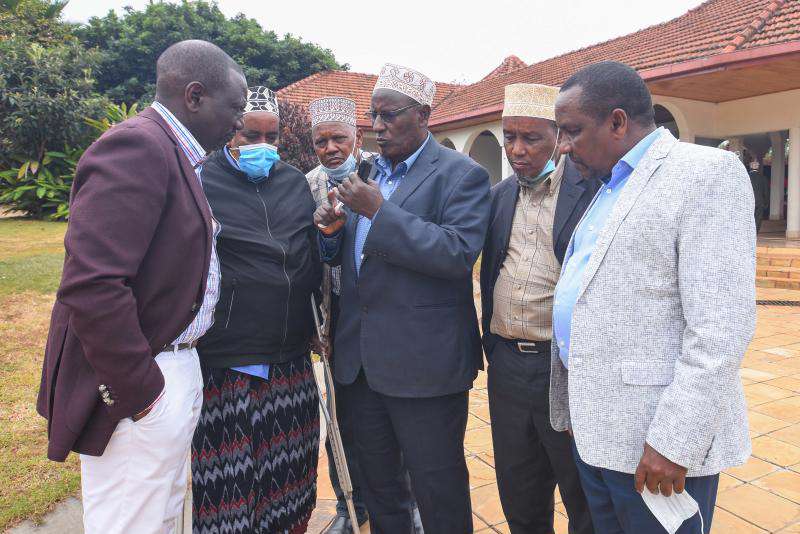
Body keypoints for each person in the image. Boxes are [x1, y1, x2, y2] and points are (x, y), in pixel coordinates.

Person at [36, 40, 246, 534]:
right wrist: (142, 392)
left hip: (173, 366)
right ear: (194, 96)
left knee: (161, 517)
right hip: (144, 382)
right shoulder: (138, 147)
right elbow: (92, 285)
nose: (239, 123)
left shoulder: (178, 155)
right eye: (235, 108)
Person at [550, 61, 755, 533]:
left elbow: (721, 330)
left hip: (657, 448)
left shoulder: (706, 174)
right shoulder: (608, 186)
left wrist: (675, 442)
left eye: (572, 131)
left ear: (617, 122)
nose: (562, 146)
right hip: (599, 435)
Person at [314, 63, 491, 534]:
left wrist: (380, 211)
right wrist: (331, 234)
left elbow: (457, 254)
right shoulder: (368, 171)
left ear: (424, 115)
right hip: (361, 364)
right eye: (373, 116)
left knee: (437, 490)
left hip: (424, 368)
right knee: (380, 490)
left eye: (389, 115)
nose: (378, 126)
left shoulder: (462, 174)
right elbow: (354, 258)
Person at [191, 87, 322, 533]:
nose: (261, 145)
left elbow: (309, 254)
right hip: (227, 360)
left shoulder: (293, 182)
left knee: (290, 475)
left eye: (272, 137)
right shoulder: (201, 180)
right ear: (232, 131)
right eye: (251, 135)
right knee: (230, 483)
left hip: (289, 357)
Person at [479, 83, 597, 534]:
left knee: (580, 491)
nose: (517, 150)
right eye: (509, 137)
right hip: (508, 366)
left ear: (559, 137)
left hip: (563, 367)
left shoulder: (590, 192)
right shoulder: (499, 196)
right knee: (519, 487)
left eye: (531, 138)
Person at [305, 96, 371, 534]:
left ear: (357, 138)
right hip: (334, 317)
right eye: (321, 141)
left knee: (391, 417)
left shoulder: (378, 175)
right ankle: (351, 506)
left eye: (339, 139)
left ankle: (405, 504)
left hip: (379, 316)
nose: (331, 149)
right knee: (341, 419)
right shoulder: (306, 185)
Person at [743, 151, 769, 232]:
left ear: (750, 167)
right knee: (758, 219)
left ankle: (748, 232)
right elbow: (766, 192)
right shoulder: (763, 178)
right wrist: (766, 204)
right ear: (757, 167)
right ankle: (755, 233)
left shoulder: (746, 178)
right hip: (759, 202)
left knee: (748, 218)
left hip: (748, 201)